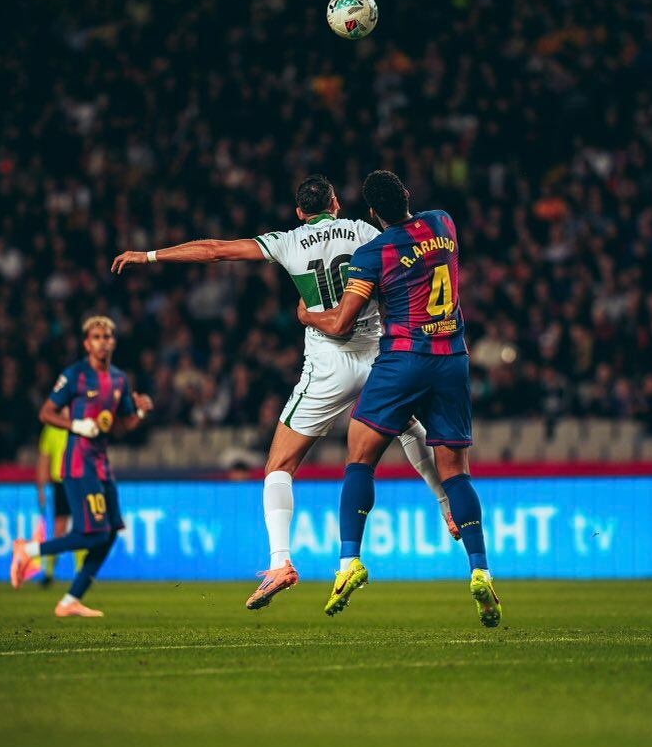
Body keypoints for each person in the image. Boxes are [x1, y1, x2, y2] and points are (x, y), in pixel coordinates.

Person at [111, 174, 458, 611]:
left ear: (299, 212)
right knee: (408, 426)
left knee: (279, 465)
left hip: (328, 366)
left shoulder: (288, 241)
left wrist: (149, 255)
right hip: (376, 353)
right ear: (335, 202)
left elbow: (216, 251)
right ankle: (448, 505)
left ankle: (281, 563)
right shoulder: (366, 231)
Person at [298, 170, 501, 627]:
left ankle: (350, 562)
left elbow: (342, 324)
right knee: (456, 473)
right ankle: (479, 569)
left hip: (404, 360)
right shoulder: (444, 224)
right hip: (452, 359)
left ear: (372, 213)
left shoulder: (373, 253)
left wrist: (307, 315)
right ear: (407, 194)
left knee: (360, 457)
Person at [10, 316, 153, 617]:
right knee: (96, 533)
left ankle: (70, 600)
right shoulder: (75, 375)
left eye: (108, 336)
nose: (103, 341)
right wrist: (75, 424)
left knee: (111, 532)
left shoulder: (119, 380)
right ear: (87, 343)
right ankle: (28, 551)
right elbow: (46, 413)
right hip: (77, 464)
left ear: (113, 342)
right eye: (97, 337)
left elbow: (121, 427)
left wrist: (139, 411)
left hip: (102, 465)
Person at [35, 414, 85, 587]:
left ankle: (81, 572)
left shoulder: (79, 424)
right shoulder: (51, 428)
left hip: (79, 479)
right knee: (59, 529)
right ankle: (49, 572)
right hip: (61, 482)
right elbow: (44, 458)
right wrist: (41, 488)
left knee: (81, 527)